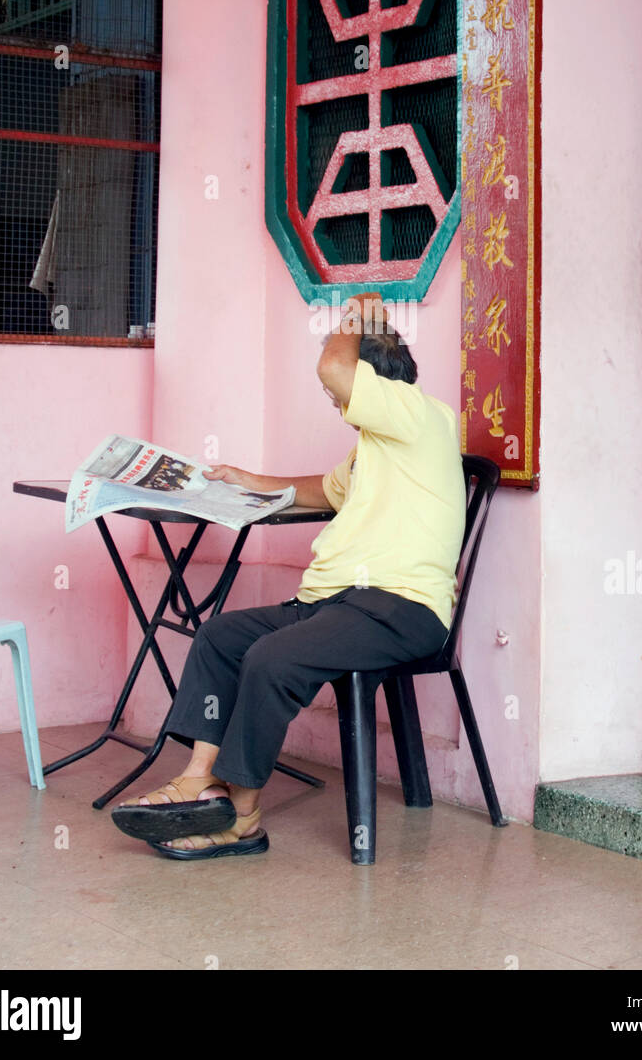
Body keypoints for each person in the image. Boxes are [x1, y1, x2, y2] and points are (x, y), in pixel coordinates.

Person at [111, 292, 467, 859]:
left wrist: (357, 319)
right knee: (219, 638)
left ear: (375, 381)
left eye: (339, 394)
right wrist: (248, 479)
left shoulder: (420, 415)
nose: (332, 400)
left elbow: (333, 365)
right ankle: (201, 778)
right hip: (337, 603)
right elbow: (322, 490)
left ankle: (243, 818)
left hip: (400, 609)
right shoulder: (375, 445)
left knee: (271, 659)